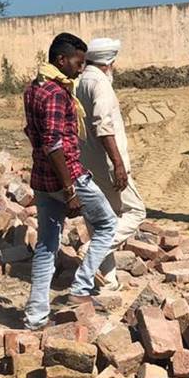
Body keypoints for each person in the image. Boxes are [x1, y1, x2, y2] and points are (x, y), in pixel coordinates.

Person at [23, 33, 118, 327]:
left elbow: (32, 133)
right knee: (107, 224)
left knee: (46, 246)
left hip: (41, 180)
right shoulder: (55, 93)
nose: (81, 68)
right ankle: (81, 288)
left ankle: (36, 317)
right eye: (78, 62)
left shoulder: (34, 88)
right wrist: (69, 190)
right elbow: (53, 144)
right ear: (61, 60)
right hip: (69, 178)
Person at [76, 37, 146, 292]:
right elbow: (103, 126)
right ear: (108, 62)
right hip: (107, 163)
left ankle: (109, 281)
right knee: (136, 211)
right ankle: (93, 250)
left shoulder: (80, 81)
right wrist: (117, 163)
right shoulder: (100, 84)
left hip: (88, 163)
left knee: (103, 219)